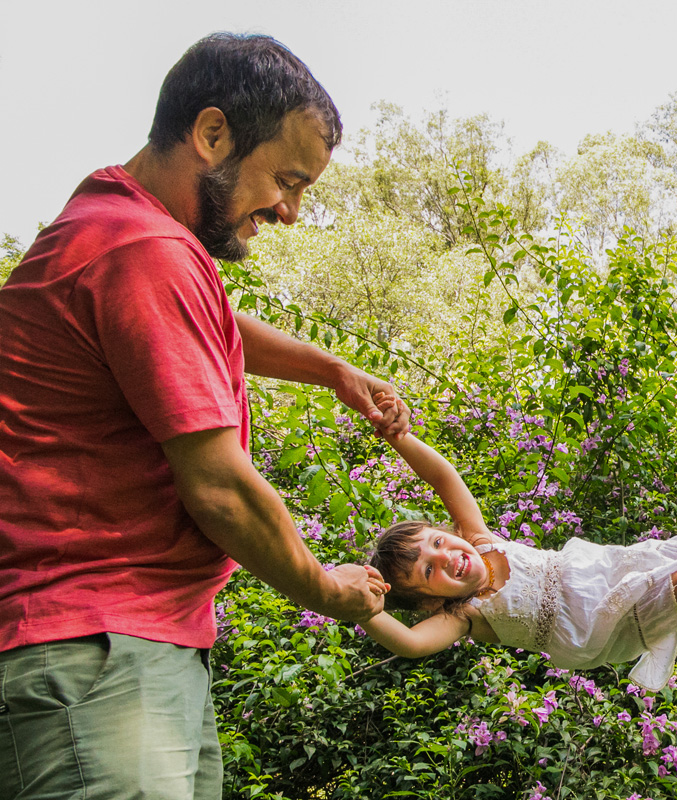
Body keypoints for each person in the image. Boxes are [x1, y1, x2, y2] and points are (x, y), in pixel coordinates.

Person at [0, 33, 406, 800]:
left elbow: (210, 319)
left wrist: (333, 372)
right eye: (286, 180)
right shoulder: (142, 250)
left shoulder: (116, 226)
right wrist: (326, 589)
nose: (289, 213)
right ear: (212, 133)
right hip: (95, 654)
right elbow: (218, 488)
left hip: (125, 649)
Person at [359, 422, 677, 691]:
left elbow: (444, 476)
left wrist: (401, 437)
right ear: (429, 602)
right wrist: (366, 611)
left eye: (439, 541)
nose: (447, 557)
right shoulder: (463, 616)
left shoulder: (482, 537)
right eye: (429, 570)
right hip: (596, 628)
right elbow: (407, 645)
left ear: (450, 531)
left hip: (604, 570)